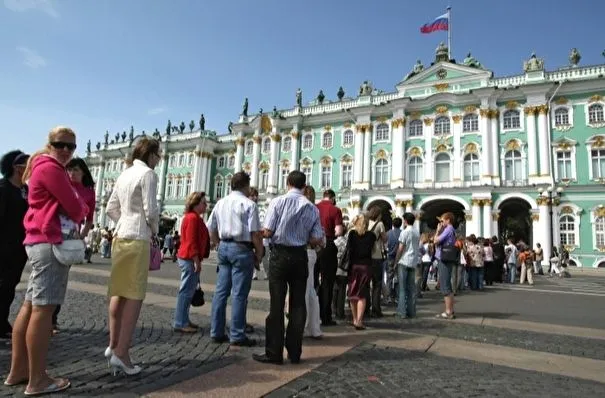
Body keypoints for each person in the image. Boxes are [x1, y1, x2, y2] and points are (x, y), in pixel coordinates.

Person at [7, 126, 87, 395]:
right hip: (50, 241)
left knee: (30, 306)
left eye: (71, 147)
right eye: (60, 144)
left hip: (37, 240)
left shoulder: (40, 166)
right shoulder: (51, 168)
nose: (66, 150)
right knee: (43, 310)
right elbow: (77, 208)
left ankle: (18, 371)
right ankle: (37, 379)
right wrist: (78, 199)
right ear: (49, 143)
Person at [253, 171, 324, 365]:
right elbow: (317, 238)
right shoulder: (312, 208)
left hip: (280, 256)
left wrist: (258, 235)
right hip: (300, 255)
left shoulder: (277, 202)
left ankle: (273, 352)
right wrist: (304, 237)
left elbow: (268, 231)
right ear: (304, 185)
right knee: (298, 305)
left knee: (276, 304)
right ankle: (294, 352)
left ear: (288, 182)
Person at [105, 136, 161, 376]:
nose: (159, 160)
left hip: (121, 236)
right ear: (150, 155)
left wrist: (124, 222)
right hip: (138, 237)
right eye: (158, 155)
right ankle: (122, 353)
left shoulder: (124, 173)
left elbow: (110, 209)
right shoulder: (147, 174)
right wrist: (154, 230)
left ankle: (112, 345)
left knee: (118, 292)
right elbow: (151, 209)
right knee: (135, 296)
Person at [208, 172, 263, 347]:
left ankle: (216, 331)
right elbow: (255, 234)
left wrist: (218, 244)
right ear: (246, 186)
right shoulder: (249, 204)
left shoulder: (220, 203)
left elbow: (211, 228)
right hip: (242, 248)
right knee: (239, 294)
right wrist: (259, 254)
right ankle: (237, 334)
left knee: (221, 292)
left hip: (224, 246)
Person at [52, 157, 96, 335]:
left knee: (61, 279)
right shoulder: (63, 186)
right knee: (50, 276)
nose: (71, 173)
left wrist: (82, 236)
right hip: (54, 233)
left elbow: (90, 219)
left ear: (83, 172)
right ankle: (43, 318)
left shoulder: (88, 192)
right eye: (69, 170)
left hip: (70, 237)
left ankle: (52, 319)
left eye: (76, 170)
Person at [0, 151, 29, 340]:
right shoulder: (3, 188)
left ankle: (2, 320)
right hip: (4, 246)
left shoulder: (25, 190)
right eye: (27, 165)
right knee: (2, 285)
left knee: (9, 286)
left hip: (20, 247)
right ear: (17, 168)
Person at [173, 192, 209, 333]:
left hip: (190, 257)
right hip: (189, 258)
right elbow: (191, 241)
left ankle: (184, 319)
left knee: (188, 291)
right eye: (203, 203)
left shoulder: (193, 218)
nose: (205, 205)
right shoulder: (193, 218)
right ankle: (180, 322)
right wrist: (196, 260)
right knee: (186, 292)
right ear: (196, 204)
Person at [315, 189, 343, 326]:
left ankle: (312, 314)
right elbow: (338, 231)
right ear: (332, 198)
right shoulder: (335, 210)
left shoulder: (314, 207)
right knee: (327, 283)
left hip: (314, 245)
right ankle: (325, 316)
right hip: (328, 244)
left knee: (313, 281)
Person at [346, 213, 376, 330]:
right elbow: (372, 250)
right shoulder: (371, 236)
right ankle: (359, 320)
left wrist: (352, 224)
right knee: (362, 294)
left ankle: (354, 319)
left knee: (353, 294)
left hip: (353, 266)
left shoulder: (352, 234)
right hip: (366, 266)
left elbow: (348, 247)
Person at [302, 186, 322, 339]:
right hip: (311, 252)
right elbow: (321, 239)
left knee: (302, 292)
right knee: (311, 292)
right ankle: (313, 327)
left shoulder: (302, 209)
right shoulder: (315, 210)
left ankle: (304, 326)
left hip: (302, 252)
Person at [394, 213, 419, 318]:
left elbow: (400, 248)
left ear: (405, 221)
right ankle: (411, 311)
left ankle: (401, 312)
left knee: (402, 288)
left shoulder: (404, 232)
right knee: (411, 288)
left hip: (404, 261)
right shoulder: (416, 232)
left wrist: (396, 260)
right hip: (413, 262)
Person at [433, 212, 457, 319]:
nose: (441, 223)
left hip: (444, 258)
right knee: (447, 285)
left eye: (442, 221)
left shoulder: (448, 229)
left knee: (445, 285)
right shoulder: (450, 229)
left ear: (448, 220)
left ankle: (448, 311)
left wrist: (438, 231)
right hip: (445, 258)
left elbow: (435, 240)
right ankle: (450, 310)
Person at [367, 206, 387, 317]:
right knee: (377, 284)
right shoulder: (380, 224)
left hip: (366, 257)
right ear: (378, 215)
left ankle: (365, 307)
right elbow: (385, 239)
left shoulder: (366, 223)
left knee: (366, 284)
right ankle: (376, 309)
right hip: (377, 256)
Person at [386, 218, 402, 302]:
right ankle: (397, 296)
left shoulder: (388, 233)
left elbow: (385, 244)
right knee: (398, 277)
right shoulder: (402, 233)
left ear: (392, 224)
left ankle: (389, 296)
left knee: (389, 277)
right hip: (400, 258)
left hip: (390, 257)